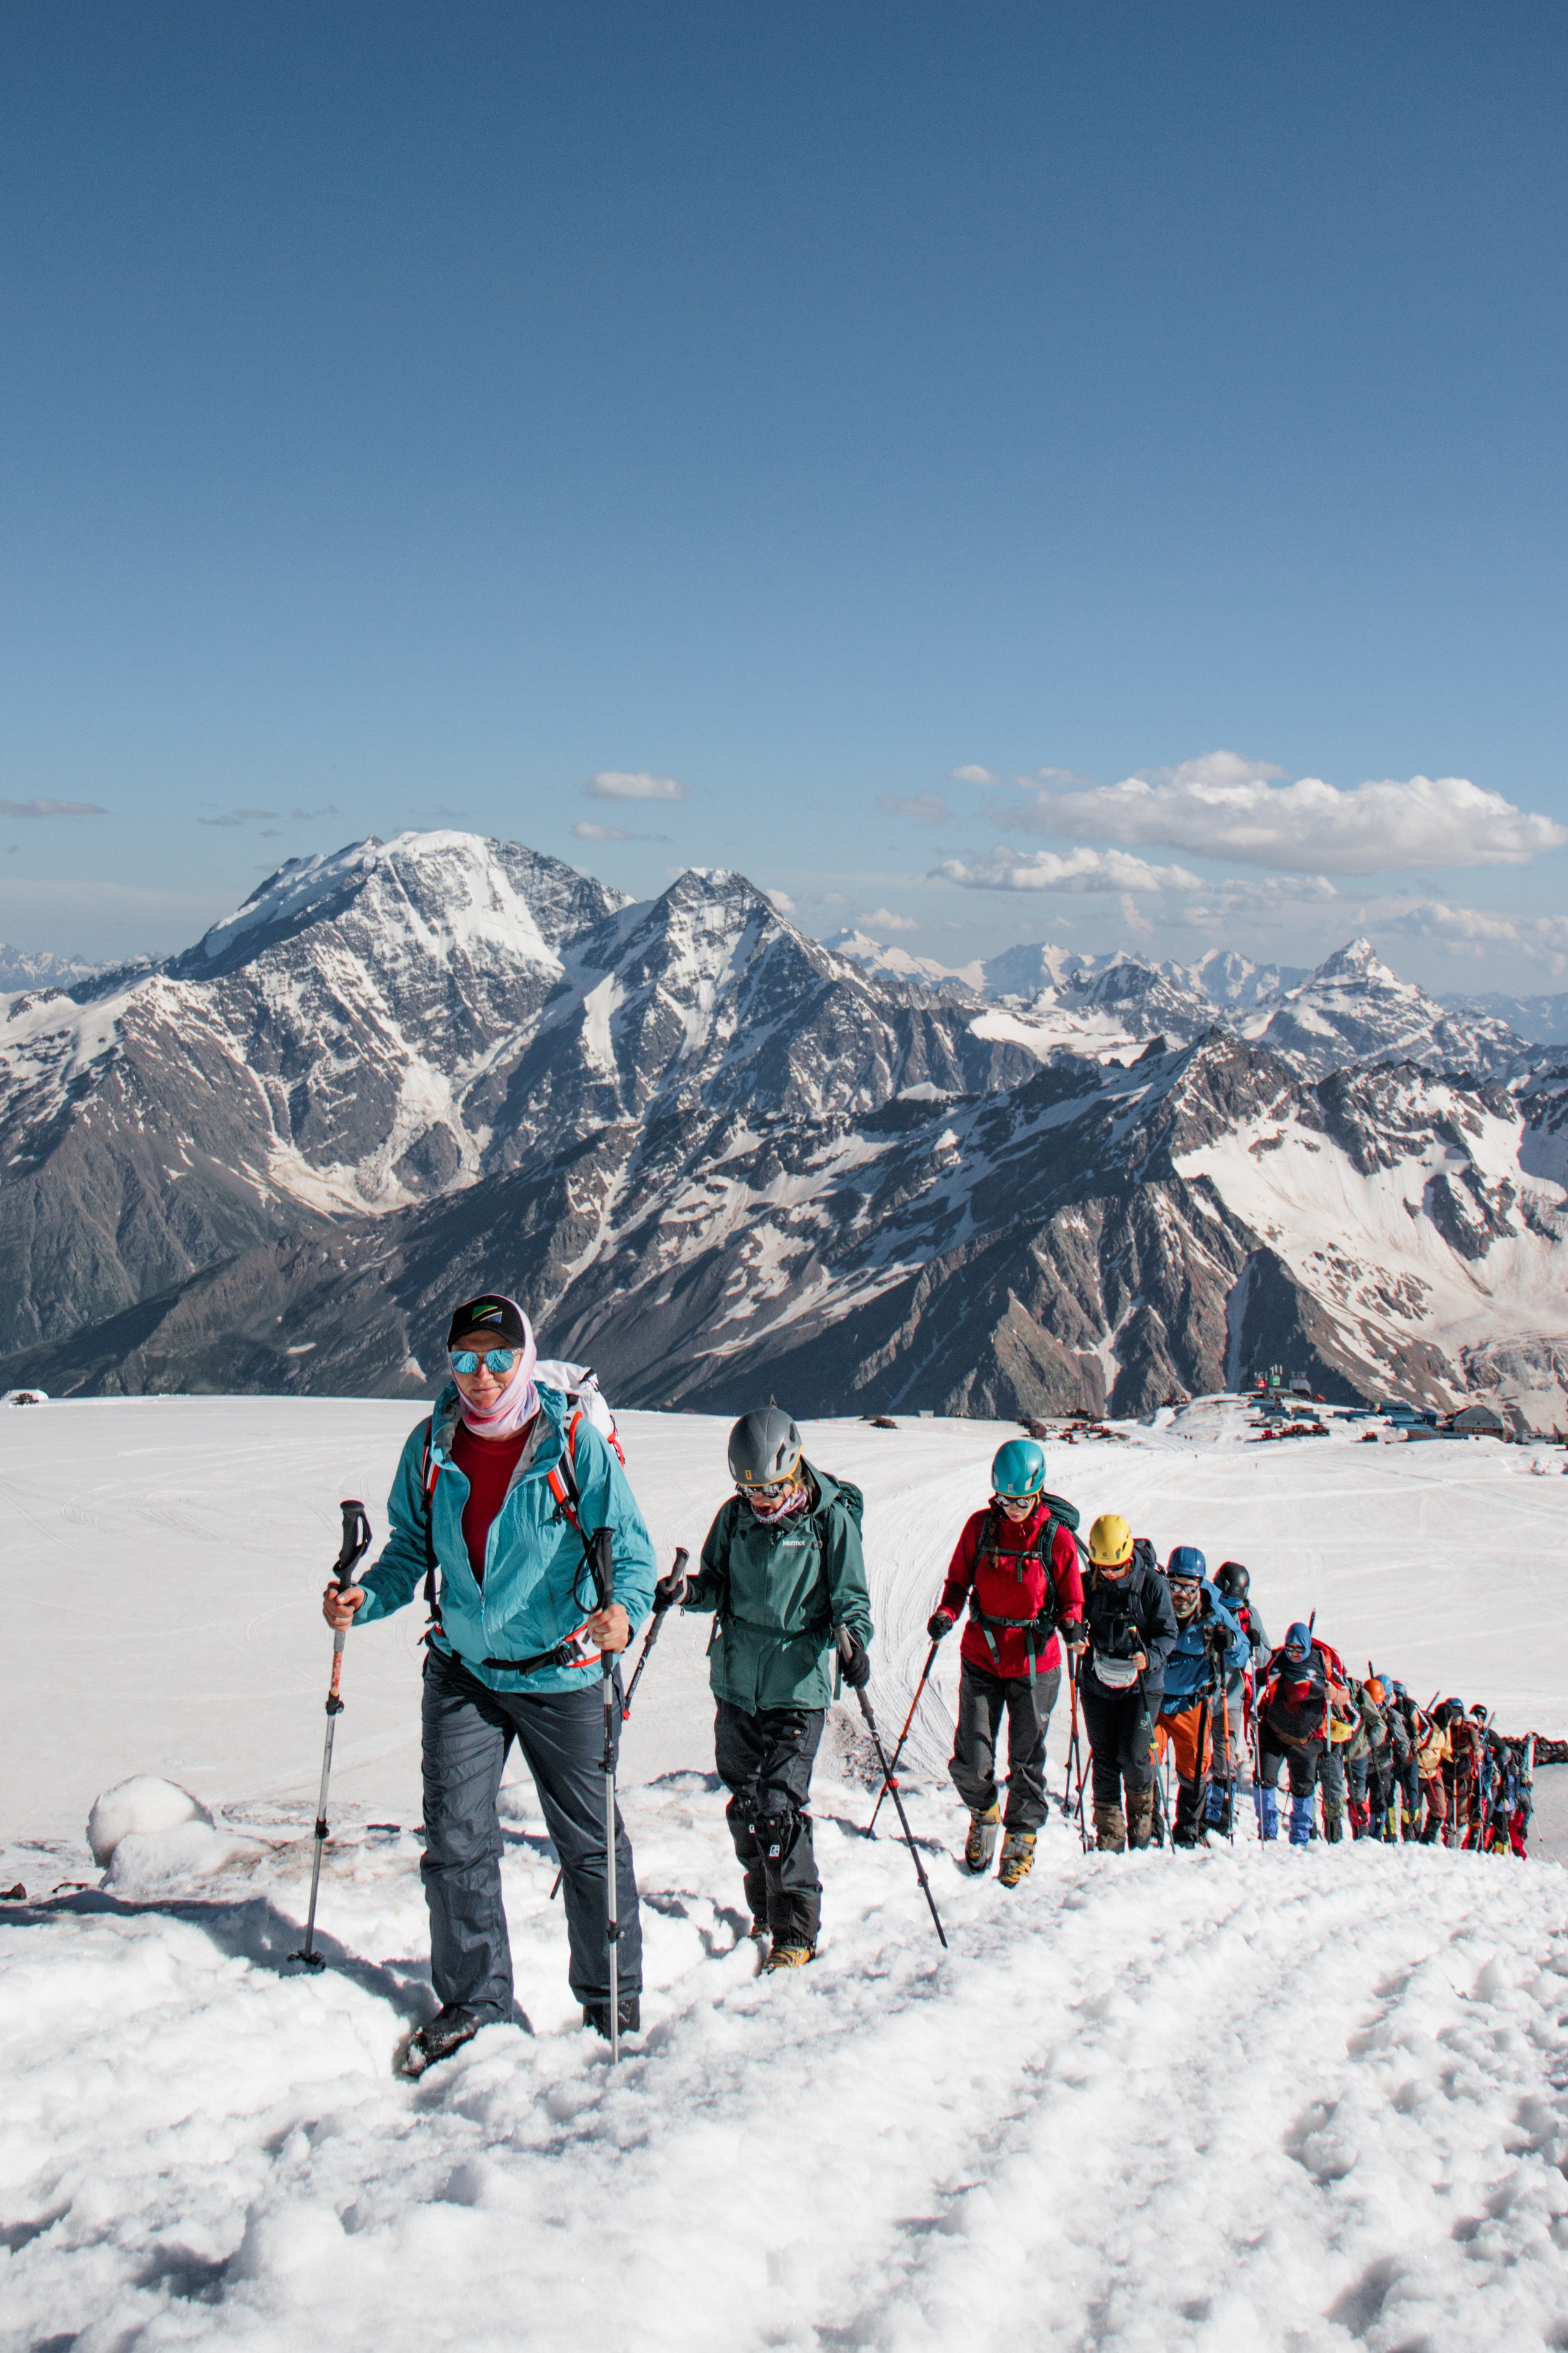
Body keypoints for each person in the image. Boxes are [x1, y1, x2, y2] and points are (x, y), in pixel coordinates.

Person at [324, 1293, 657, 2074]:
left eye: (498, 1358)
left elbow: (632, 1553)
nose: (480, 1377)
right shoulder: (434, 1442)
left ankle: (614, 2007)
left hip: (562, 1672)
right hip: (464, 1671)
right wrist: (364, 1599)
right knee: (456, 1841)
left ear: (525, 1358)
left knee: (589, 1846)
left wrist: (624, 1612)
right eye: (465, 1359)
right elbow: (410, 1549)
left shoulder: (572, 1440)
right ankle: (476, 2001)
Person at [673, 1406, 872, 1971]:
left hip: (797, 1686)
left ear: (795, 1468)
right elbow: (715, 1584)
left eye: (771, 1491)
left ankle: (796, 1932)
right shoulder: (734, 1519)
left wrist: (854, 1641)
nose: (761, 1503)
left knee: (780, 1808)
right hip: (736, 1682)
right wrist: (686, 1592)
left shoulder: (828, 1521)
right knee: (746, 1804)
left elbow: (852, 1599)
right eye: (750, 1492)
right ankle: (763, 1906)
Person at [927, 1438, 1084, 1886]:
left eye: (1021, 1500)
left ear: (1038, 1490)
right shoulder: (980, 1528)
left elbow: (1073, 1597)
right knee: (970, 1758)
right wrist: (946, 1613)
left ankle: (1021, 1836)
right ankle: (985, 1811)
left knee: (1026, 1757)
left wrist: (1071, 1623)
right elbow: (958, 1582)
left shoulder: (1056, 1538)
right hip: (982, 1656)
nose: (1013, 1508)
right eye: (1005, 1499)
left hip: (1035, 1664)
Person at [1076, 1516, 1178, 1853]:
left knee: (1135, 1756)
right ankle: (1109, 1840)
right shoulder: (1088, 1583)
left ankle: (1143, 1835)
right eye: (1103, 1569)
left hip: (1143, 1689)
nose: (1110, 1575)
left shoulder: (1153, 1585)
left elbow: (1168, 1633)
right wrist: (1073, 1633)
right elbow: (1070, 1613)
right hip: (1098, 1683)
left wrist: (1150, 1656)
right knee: (1104, 1757)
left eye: (1117, 1568)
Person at [1153, 1549, 1247, 1846]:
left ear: (1200, 1584)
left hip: (1191, 1704)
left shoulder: (1214, 1609)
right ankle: (1149, 1834)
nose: (1180, 1594)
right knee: (1144, 1765)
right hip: (1153, 1700)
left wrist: (1230, 1641)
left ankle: (1187, 1834)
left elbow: (1243, 1652)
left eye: (1188, 1587)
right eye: (1175, 1585)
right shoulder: (1155, 1601)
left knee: (1194, 1772)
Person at [1256, 1622, 1332, 1843]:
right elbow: (1257, 1679)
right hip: (1273, 1731)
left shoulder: (1322, 1663)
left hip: (1306, 1738)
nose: (1295, 1654)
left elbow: (1343, 1693)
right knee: (1265, 1779)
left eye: (1299, 1650)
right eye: (1291, 1649)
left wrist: (1334, 1693)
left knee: (1303, 1787)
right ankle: (1267, 1833)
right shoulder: (1278, 1660)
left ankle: (1301, 1836)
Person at [1212, 1563, 1269, 1812]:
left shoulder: (1250, 1615)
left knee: (1225, 1759)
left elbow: (1266, 1657)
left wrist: (1255, 1647)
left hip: (1232, 1697)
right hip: (1200, 1695)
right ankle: (1199, 1814)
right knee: (1198, 1758)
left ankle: (1220, 1814)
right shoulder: (1207, 1606)